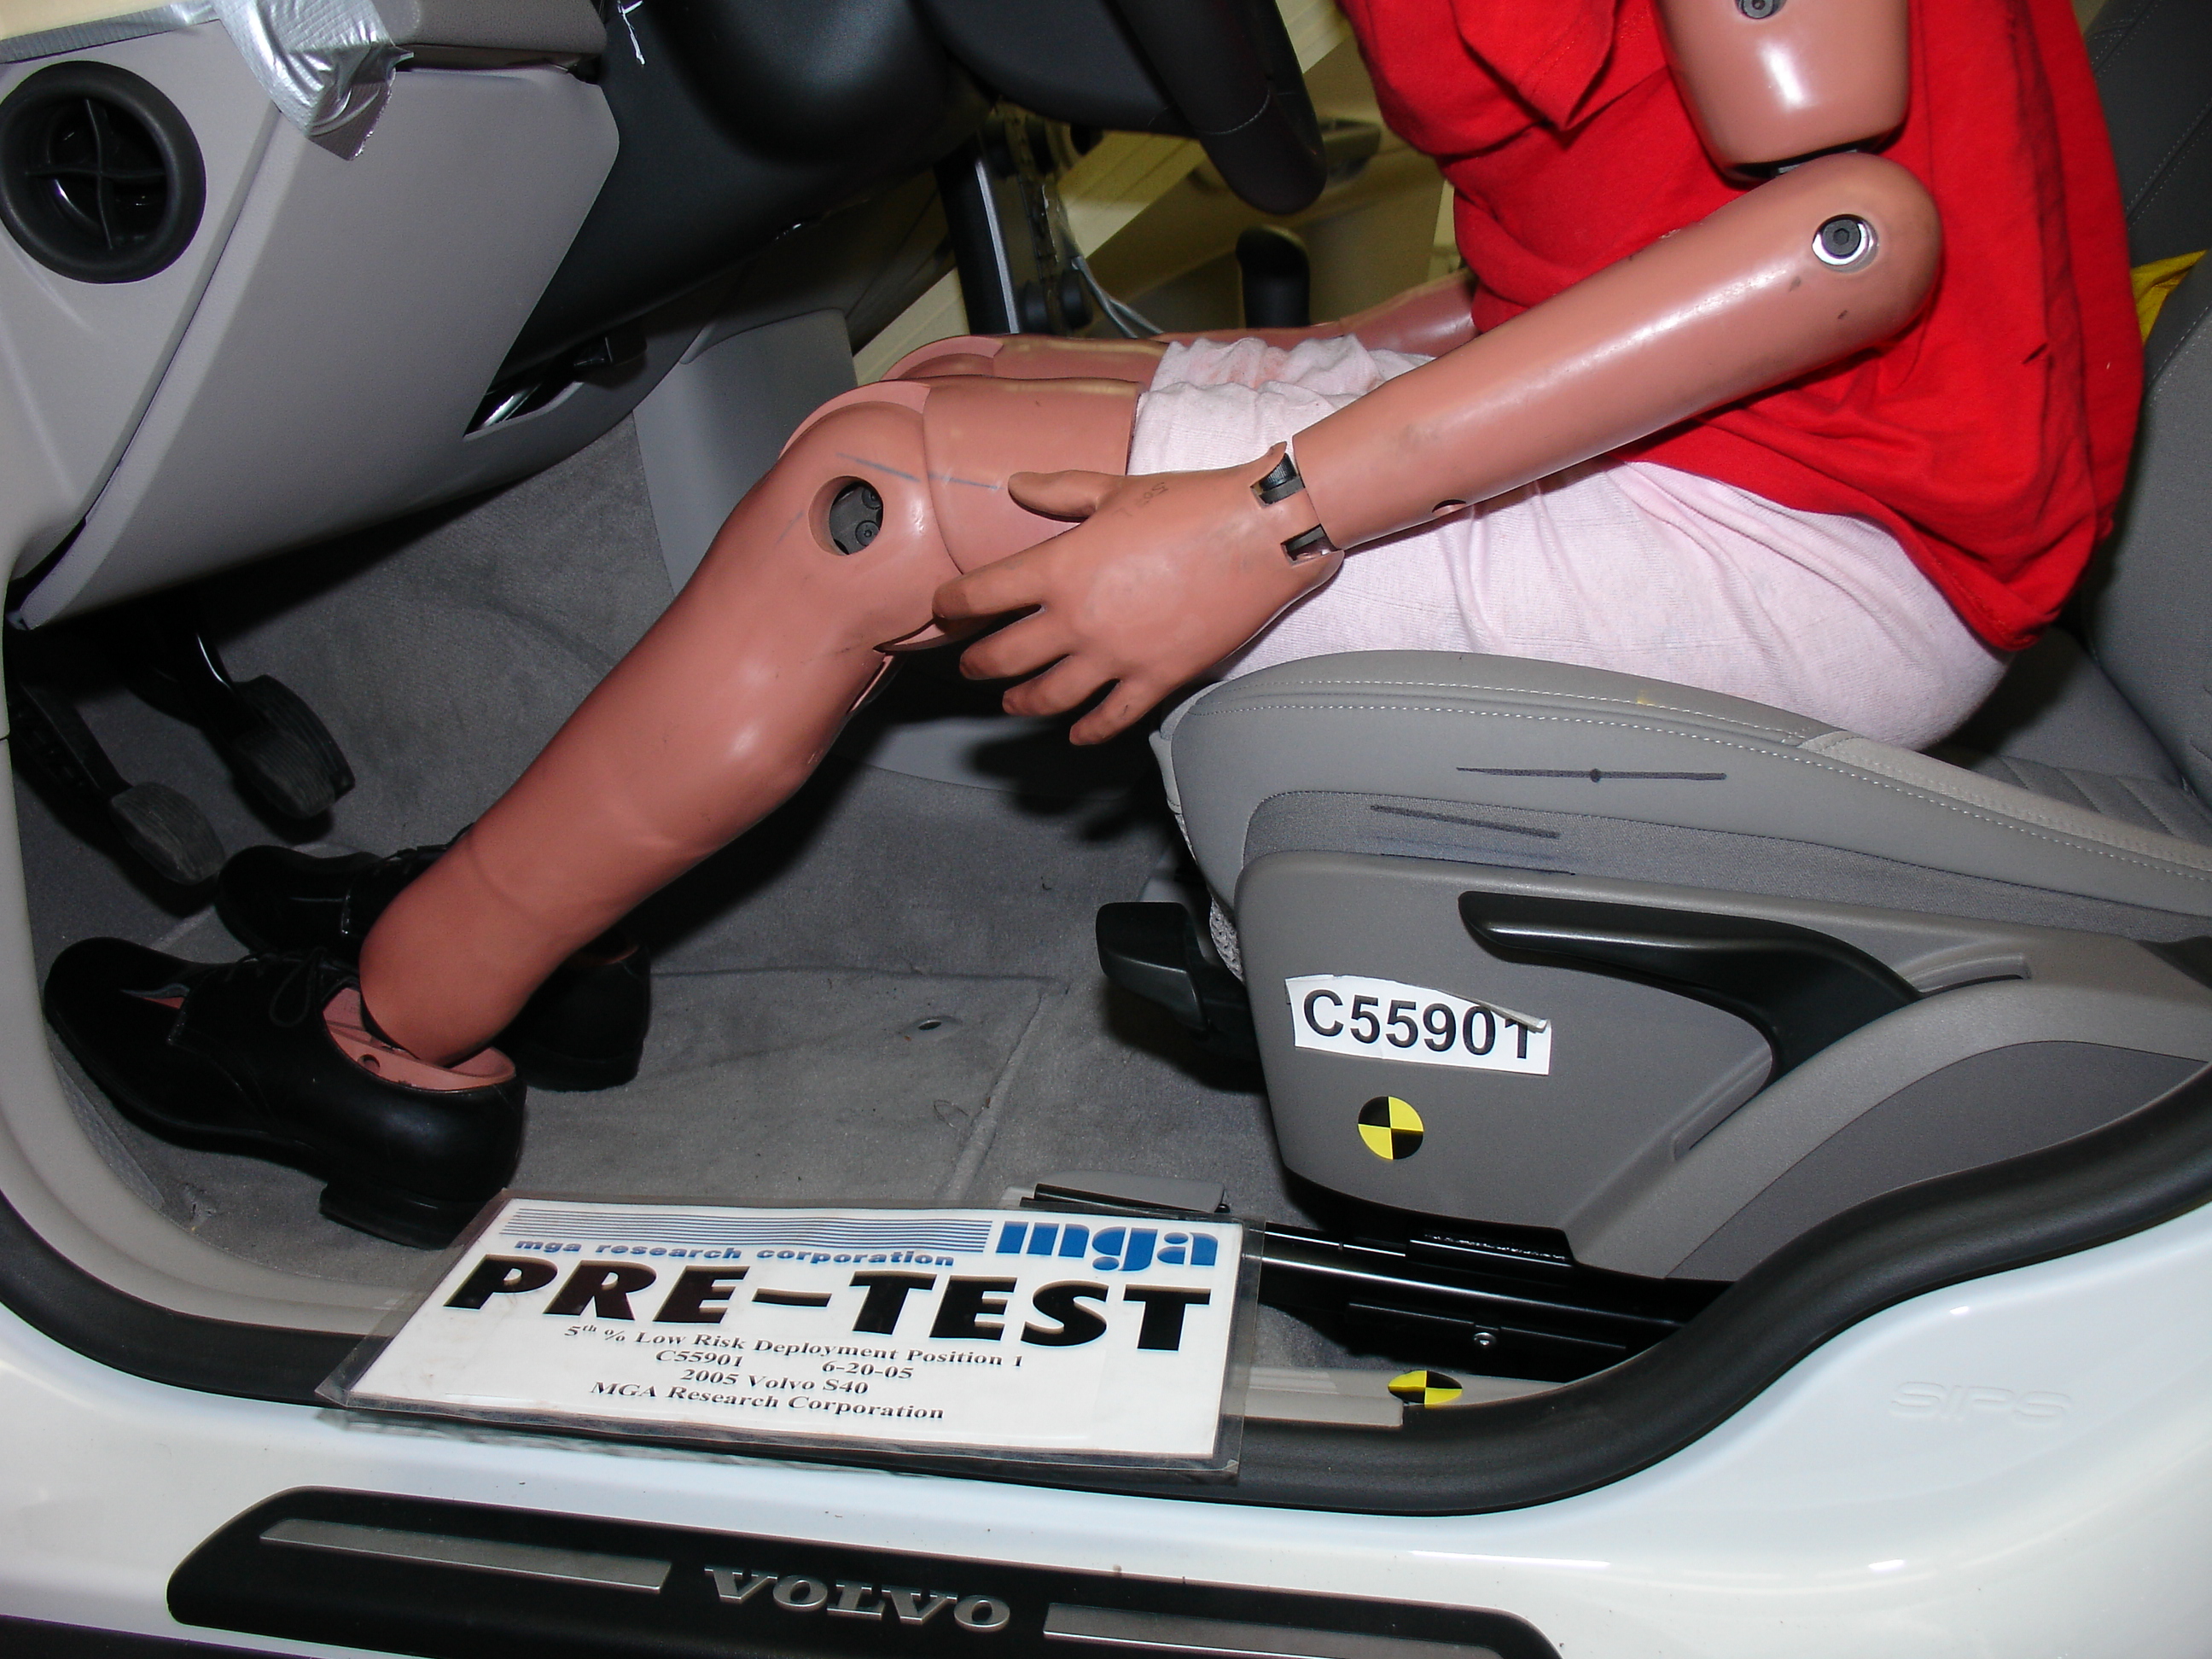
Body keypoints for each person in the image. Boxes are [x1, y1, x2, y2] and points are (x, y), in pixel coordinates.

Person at [45, 0, 2139, 1247]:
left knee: (872, 508)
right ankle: (550, 930)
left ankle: (401, 1040)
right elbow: (1613, 255)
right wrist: (1255, 371)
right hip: (1775, 455)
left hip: (1815, 537)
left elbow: (1848, 236)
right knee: (938, 405)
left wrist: (1276, 509)